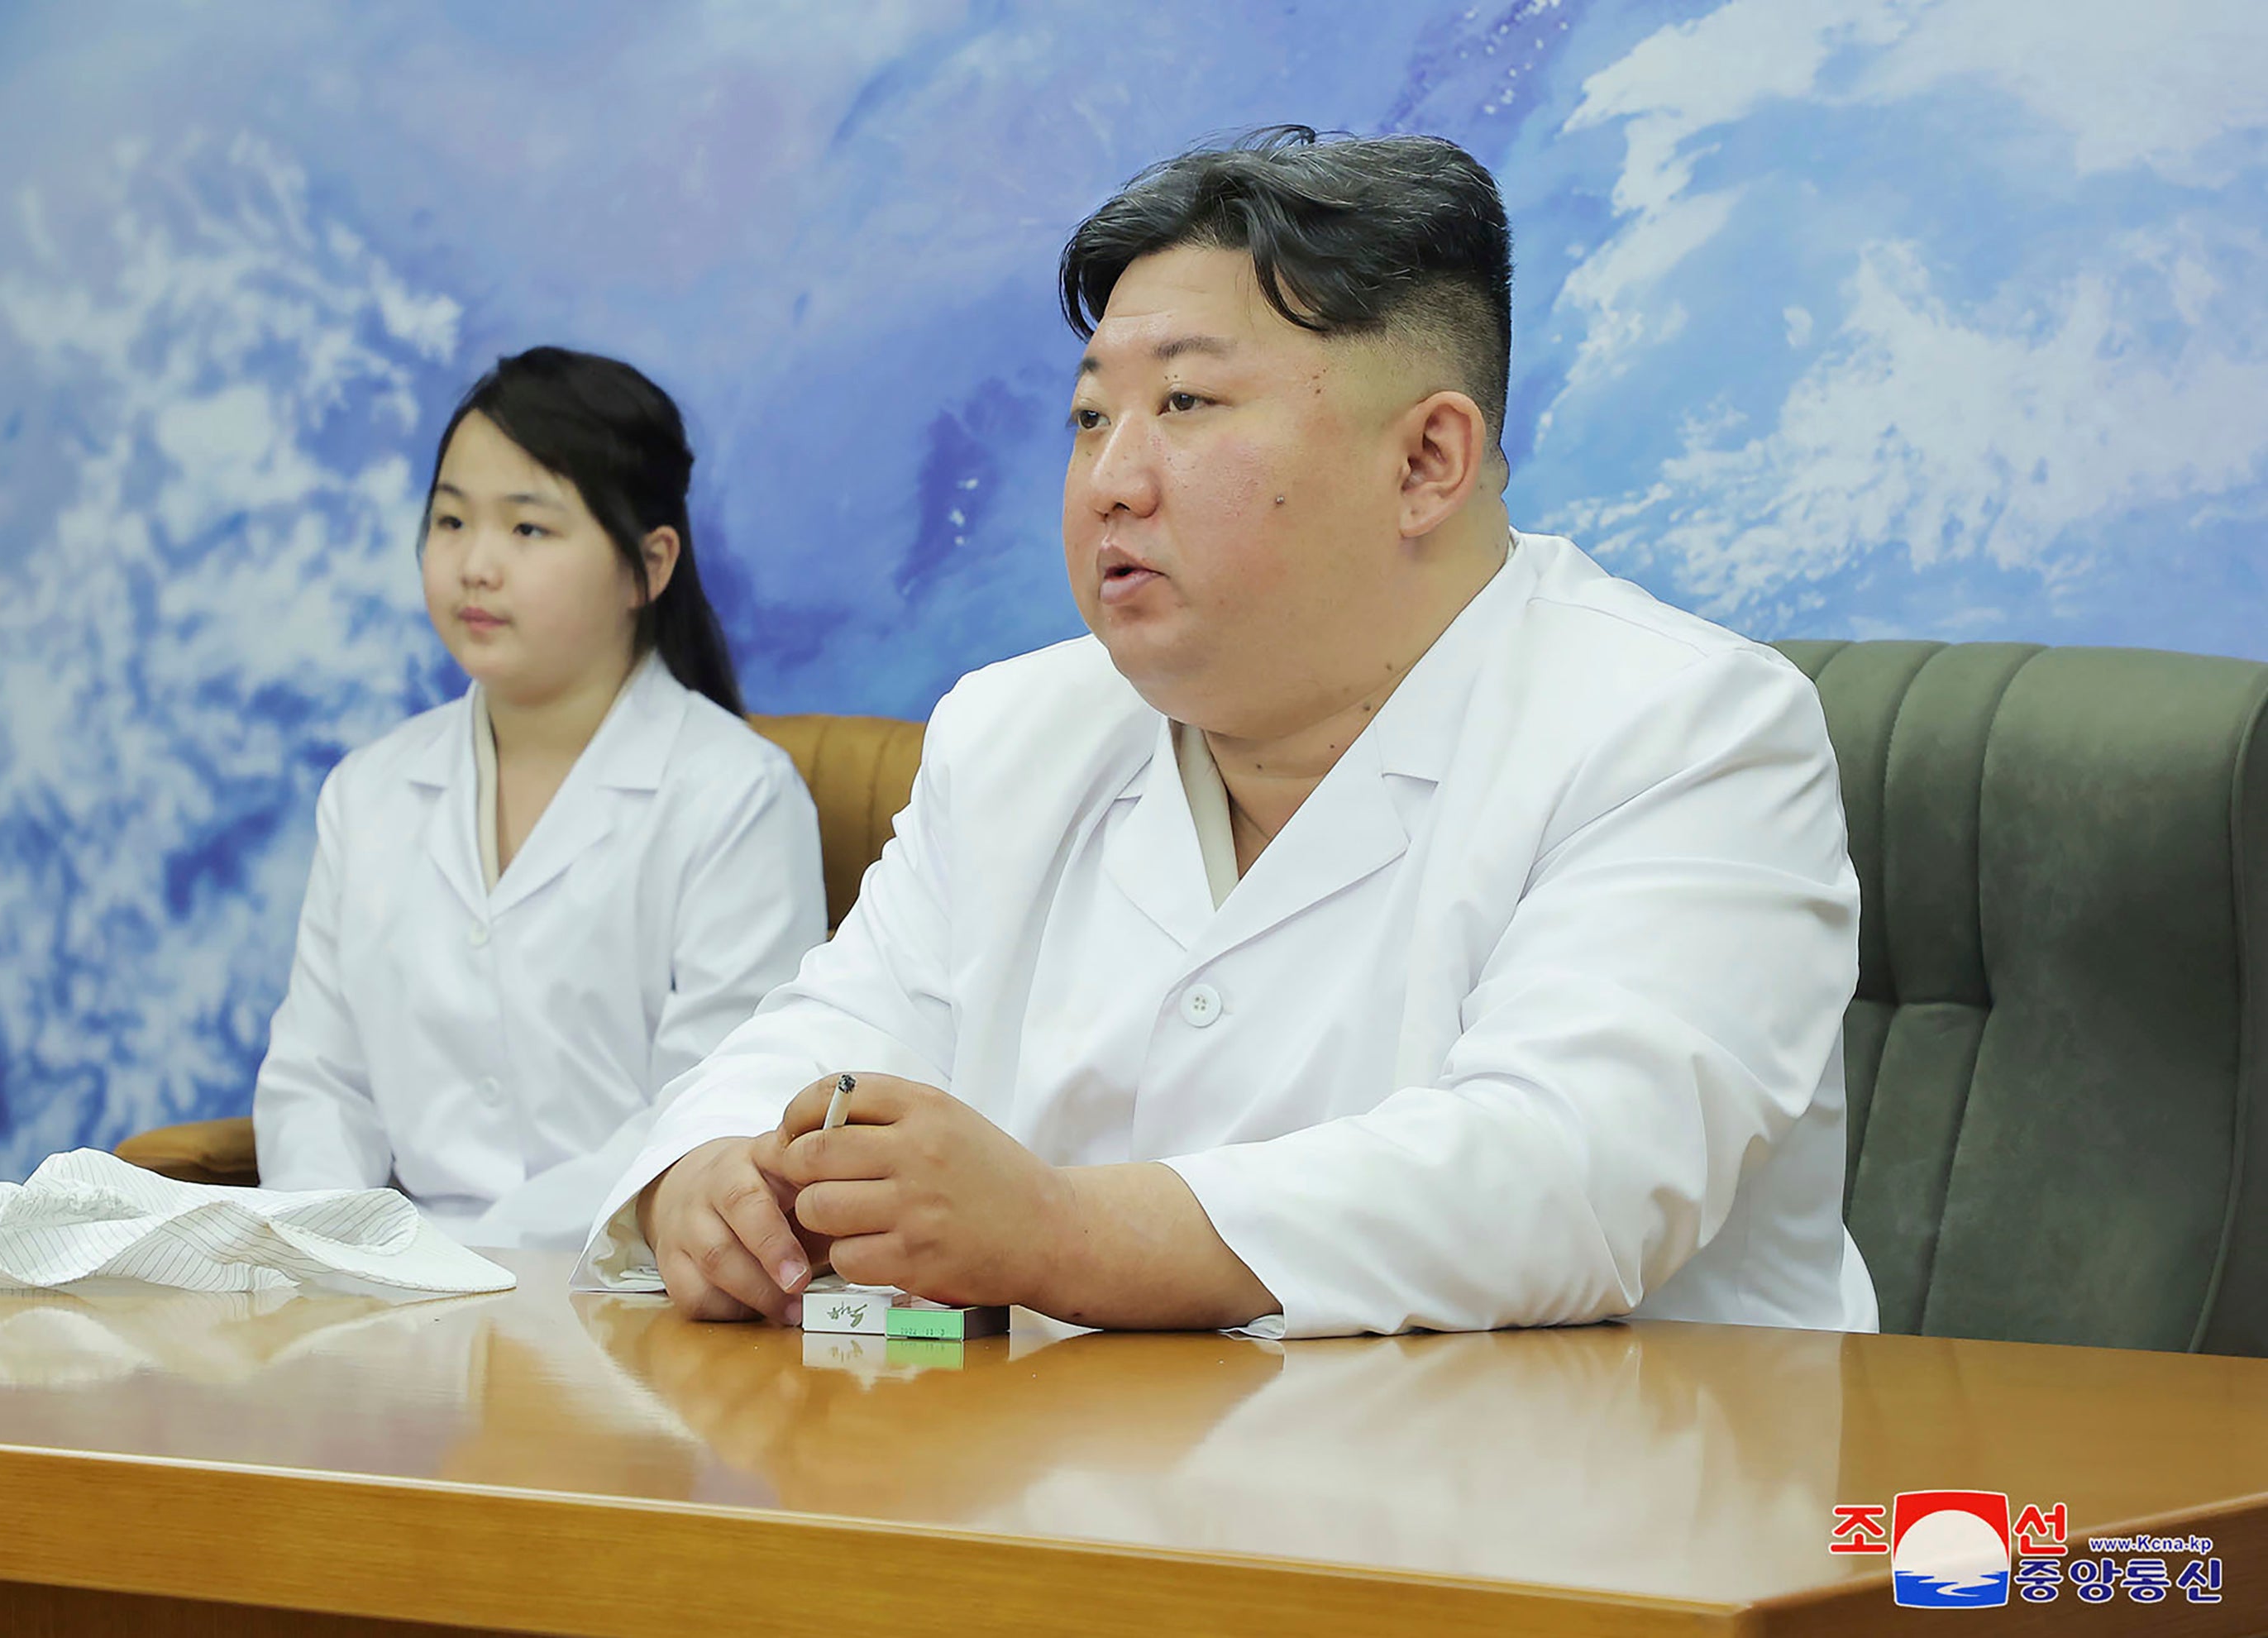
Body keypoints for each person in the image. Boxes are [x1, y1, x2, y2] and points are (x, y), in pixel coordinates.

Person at [585, 129, 1878, 1338]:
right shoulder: (1018, 726)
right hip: (1087, 1505)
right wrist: (704, 1177)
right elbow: (833, 1037)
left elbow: (1567, 1174)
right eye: (1092, 416)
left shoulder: (1686, 726)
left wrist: (1062, 1234)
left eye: (1188, 405)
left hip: (1596, 1521)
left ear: (1427, 460)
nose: (1111, 480)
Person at [255, 347, 825, 1250]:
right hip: (385, 1301)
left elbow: (711, 1111)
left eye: (528, 530)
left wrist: (479, 1257)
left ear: (649, 565)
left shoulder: (736, 797)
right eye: (450, 521)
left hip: (621, 1295)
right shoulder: (367, 792)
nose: (475, 565)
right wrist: (337, 1250)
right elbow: (318, 1084)